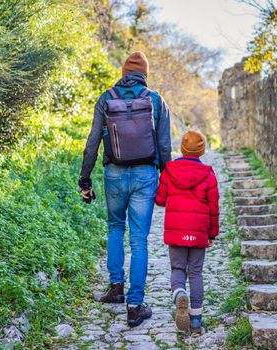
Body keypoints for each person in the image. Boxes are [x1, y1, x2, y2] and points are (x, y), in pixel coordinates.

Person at [78, 51, 172, 328]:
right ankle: (135, 304)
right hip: (146, 175)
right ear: (144, 73)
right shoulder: (155, 99)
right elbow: (165, 146)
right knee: (139, 239)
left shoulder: (106, 98)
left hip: (114, 174)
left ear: (122, 73)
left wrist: (85, 178)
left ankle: (116, 287)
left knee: (116, 228)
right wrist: (167, 177)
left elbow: (93, 141)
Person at [155, 130, 220, 333]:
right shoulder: (208, 175)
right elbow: (214, 208)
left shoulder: (169, 171)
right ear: (202, 151)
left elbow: (160, 200)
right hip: (199, 233)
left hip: (176, 233)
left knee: (177, 270)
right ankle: (196, 322)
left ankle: (179, 294)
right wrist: (212, 234)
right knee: (196, 273)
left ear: (182, 149)